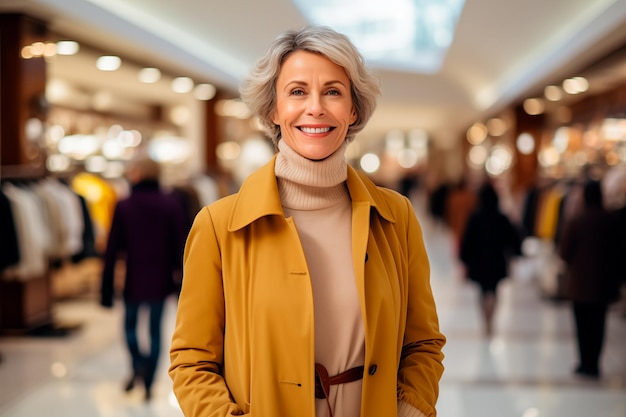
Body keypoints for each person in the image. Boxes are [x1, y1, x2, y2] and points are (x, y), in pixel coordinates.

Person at [169, 25, 446, 417]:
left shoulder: (394, 216)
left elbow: (423, 343)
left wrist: (411, 408)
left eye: (333, 91)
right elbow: (192, 360)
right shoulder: (220, 225)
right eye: (297, 91)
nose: (315, 107)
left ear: (353, 109)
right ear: (273, 109)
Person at [101, 155, 187, 400]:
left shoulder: (125, 205)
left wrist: (106, 286)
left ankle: (138, 364)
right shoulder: (170, 203)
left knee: (129, 327)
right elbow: (180, 244)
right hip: (161, 277)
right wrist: (182, 278)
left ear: (138, 173)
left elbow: (112, 248)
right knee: (155, 331)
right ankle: (148, 381)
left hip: (134, 277)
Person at [558, 179, 623, 379]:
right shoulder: (611, 220)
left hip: (579, 283)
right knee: (599, 323)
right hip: (603, 281)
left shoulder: (576, 220)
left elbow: (565, 252)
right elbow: (620, 250)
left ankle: (584, 361)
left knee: (582, 323)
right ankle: (594, 362)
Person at [459, 181, 522, 337]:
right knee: (494, 290)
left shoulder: (475, 217)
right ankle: (492, 320)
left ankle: (485, 322)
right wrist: (515, 254)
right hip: (496, 261)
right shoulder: (501, 217)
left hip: (479, 261)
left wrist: (465, 259)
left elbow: (467, 240)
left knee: (482, 291)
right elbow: (513, 238)